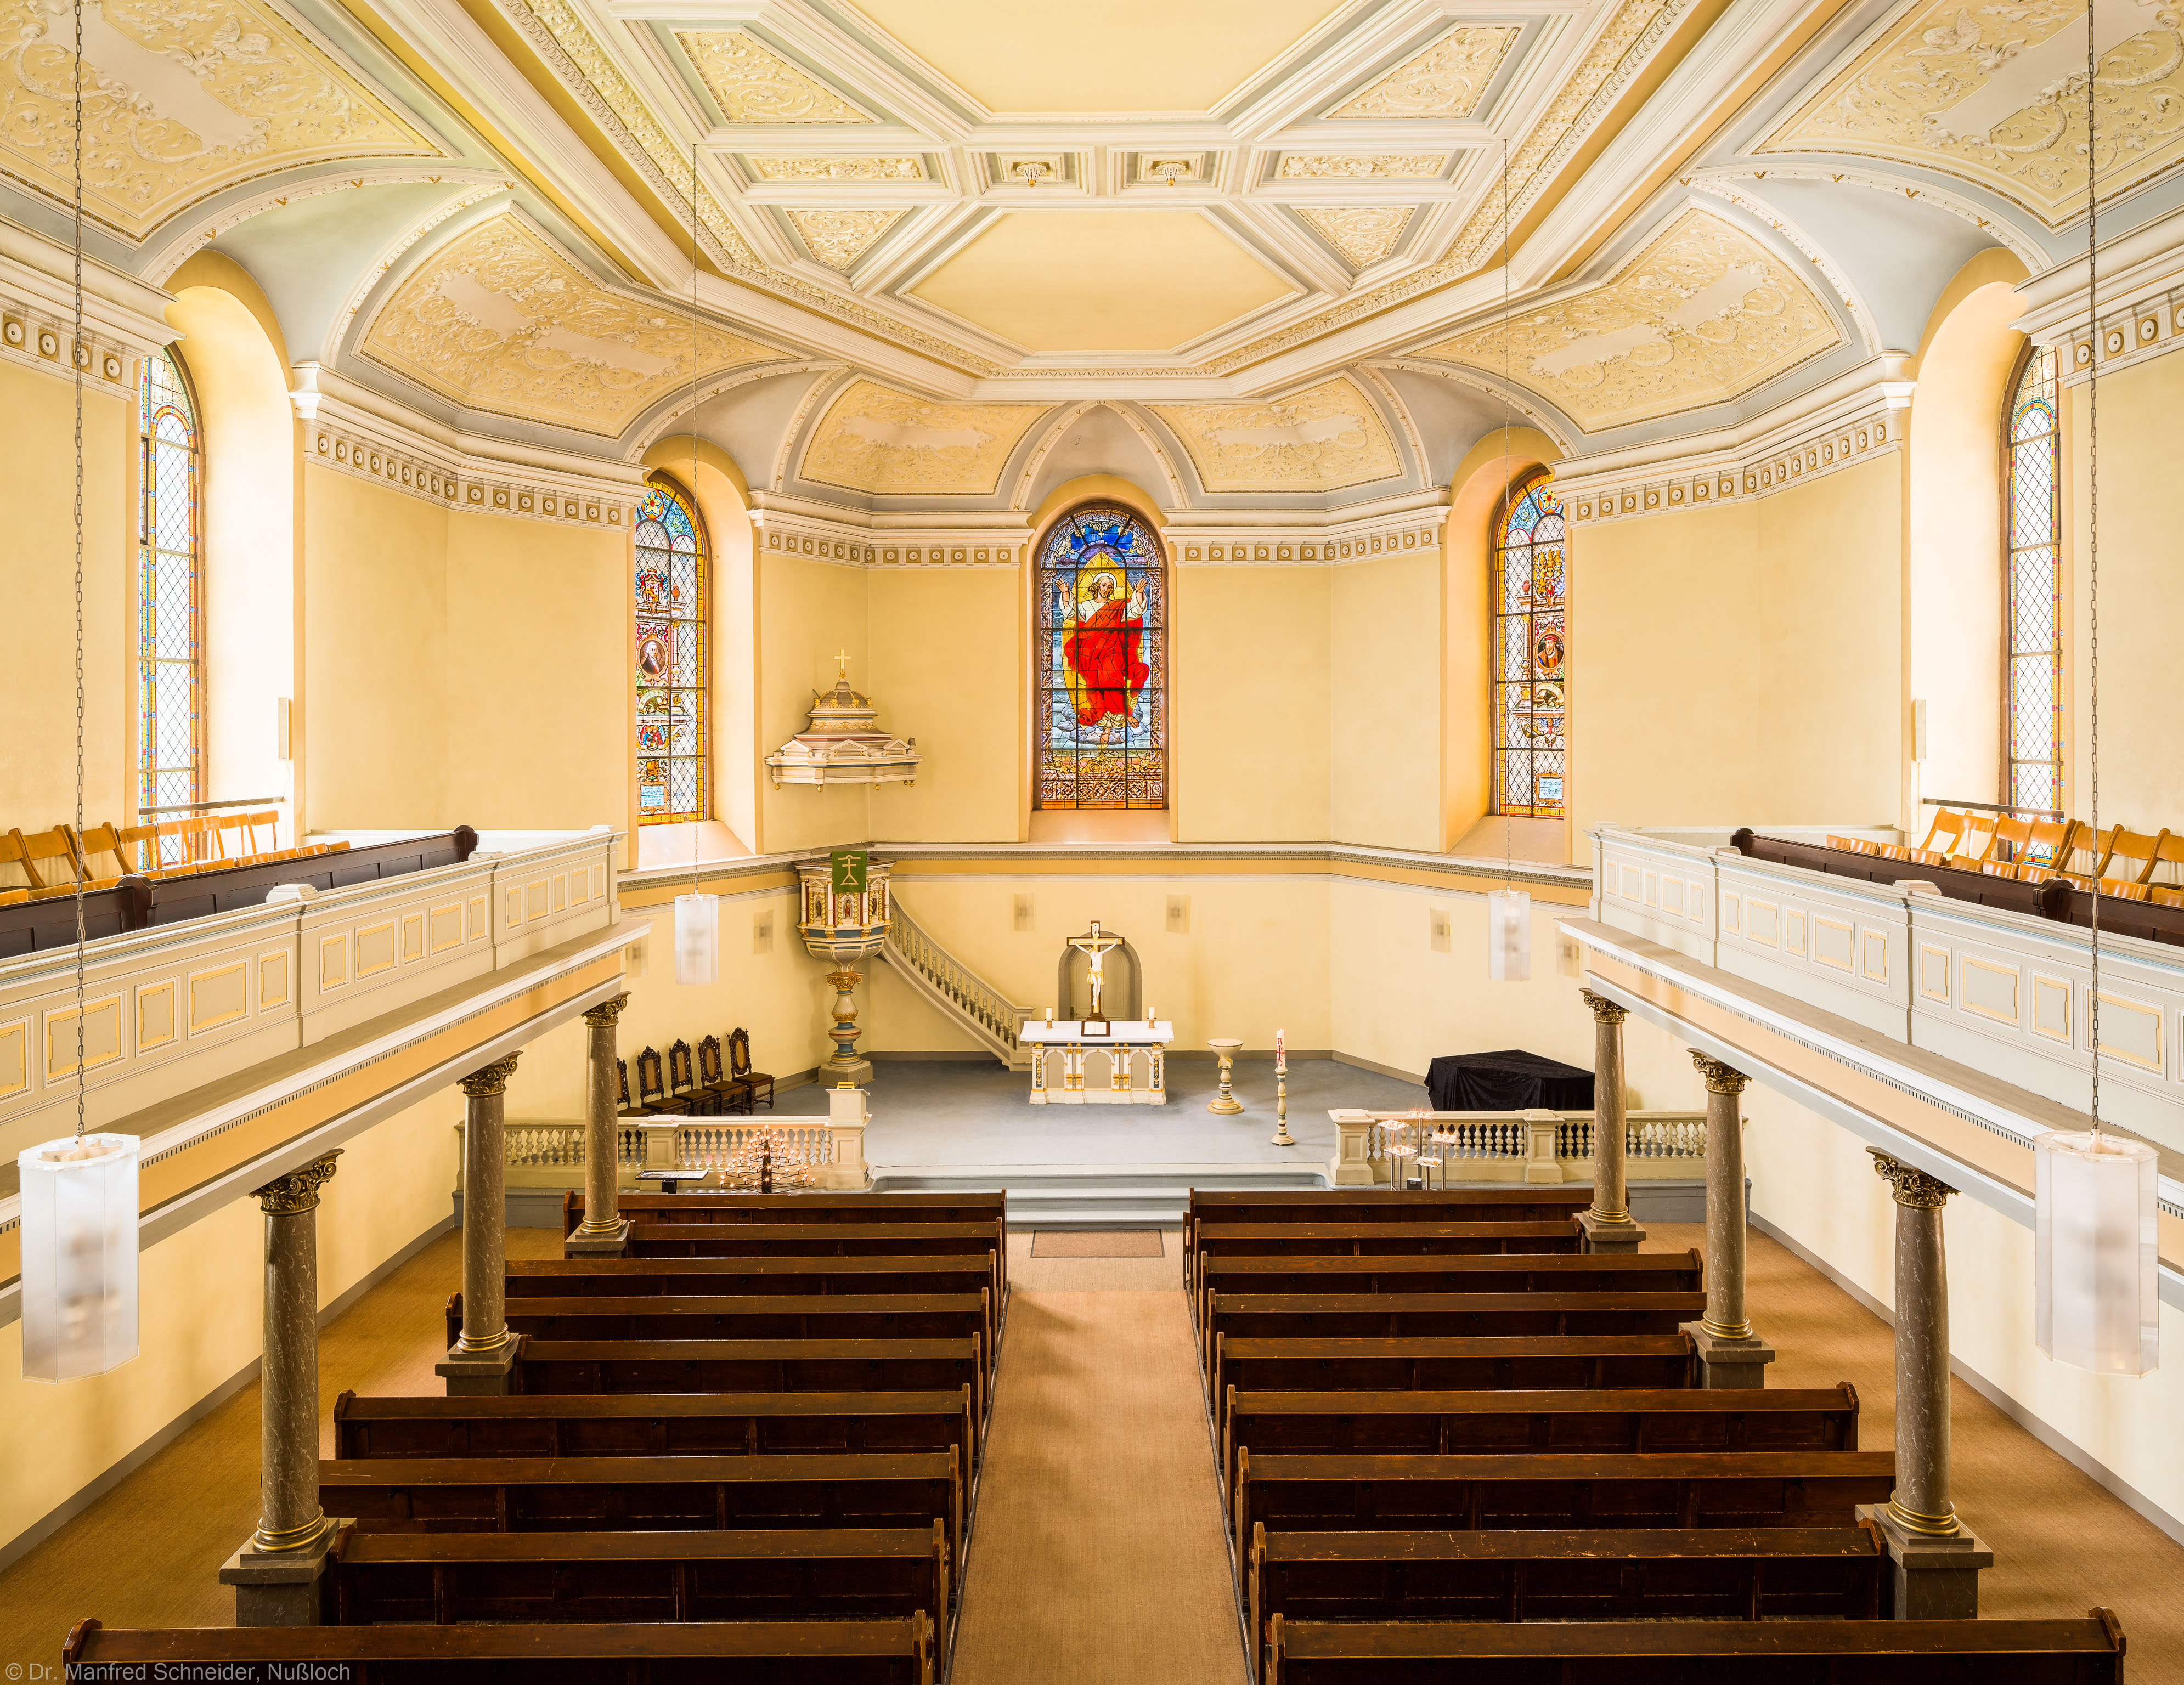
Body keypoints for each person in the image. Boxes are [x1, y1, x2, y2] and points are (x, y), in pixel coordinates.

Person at [1063, 571, 1149, 747]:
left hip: (1112, 651)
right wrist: (1066, 592)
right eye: (1104, 585)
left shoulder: (1117, 607)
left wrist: (1139, 593)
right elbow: (1070, 612)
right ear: (1097, 586)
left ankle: (1117, 721)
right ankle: (1105, 724)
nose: (1107, 589)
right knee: (1095, 687)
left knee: (1113, 681)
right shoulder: (1086, 606)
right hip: (1091, 654)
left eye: (1110, 587)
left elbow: (1135, 612)